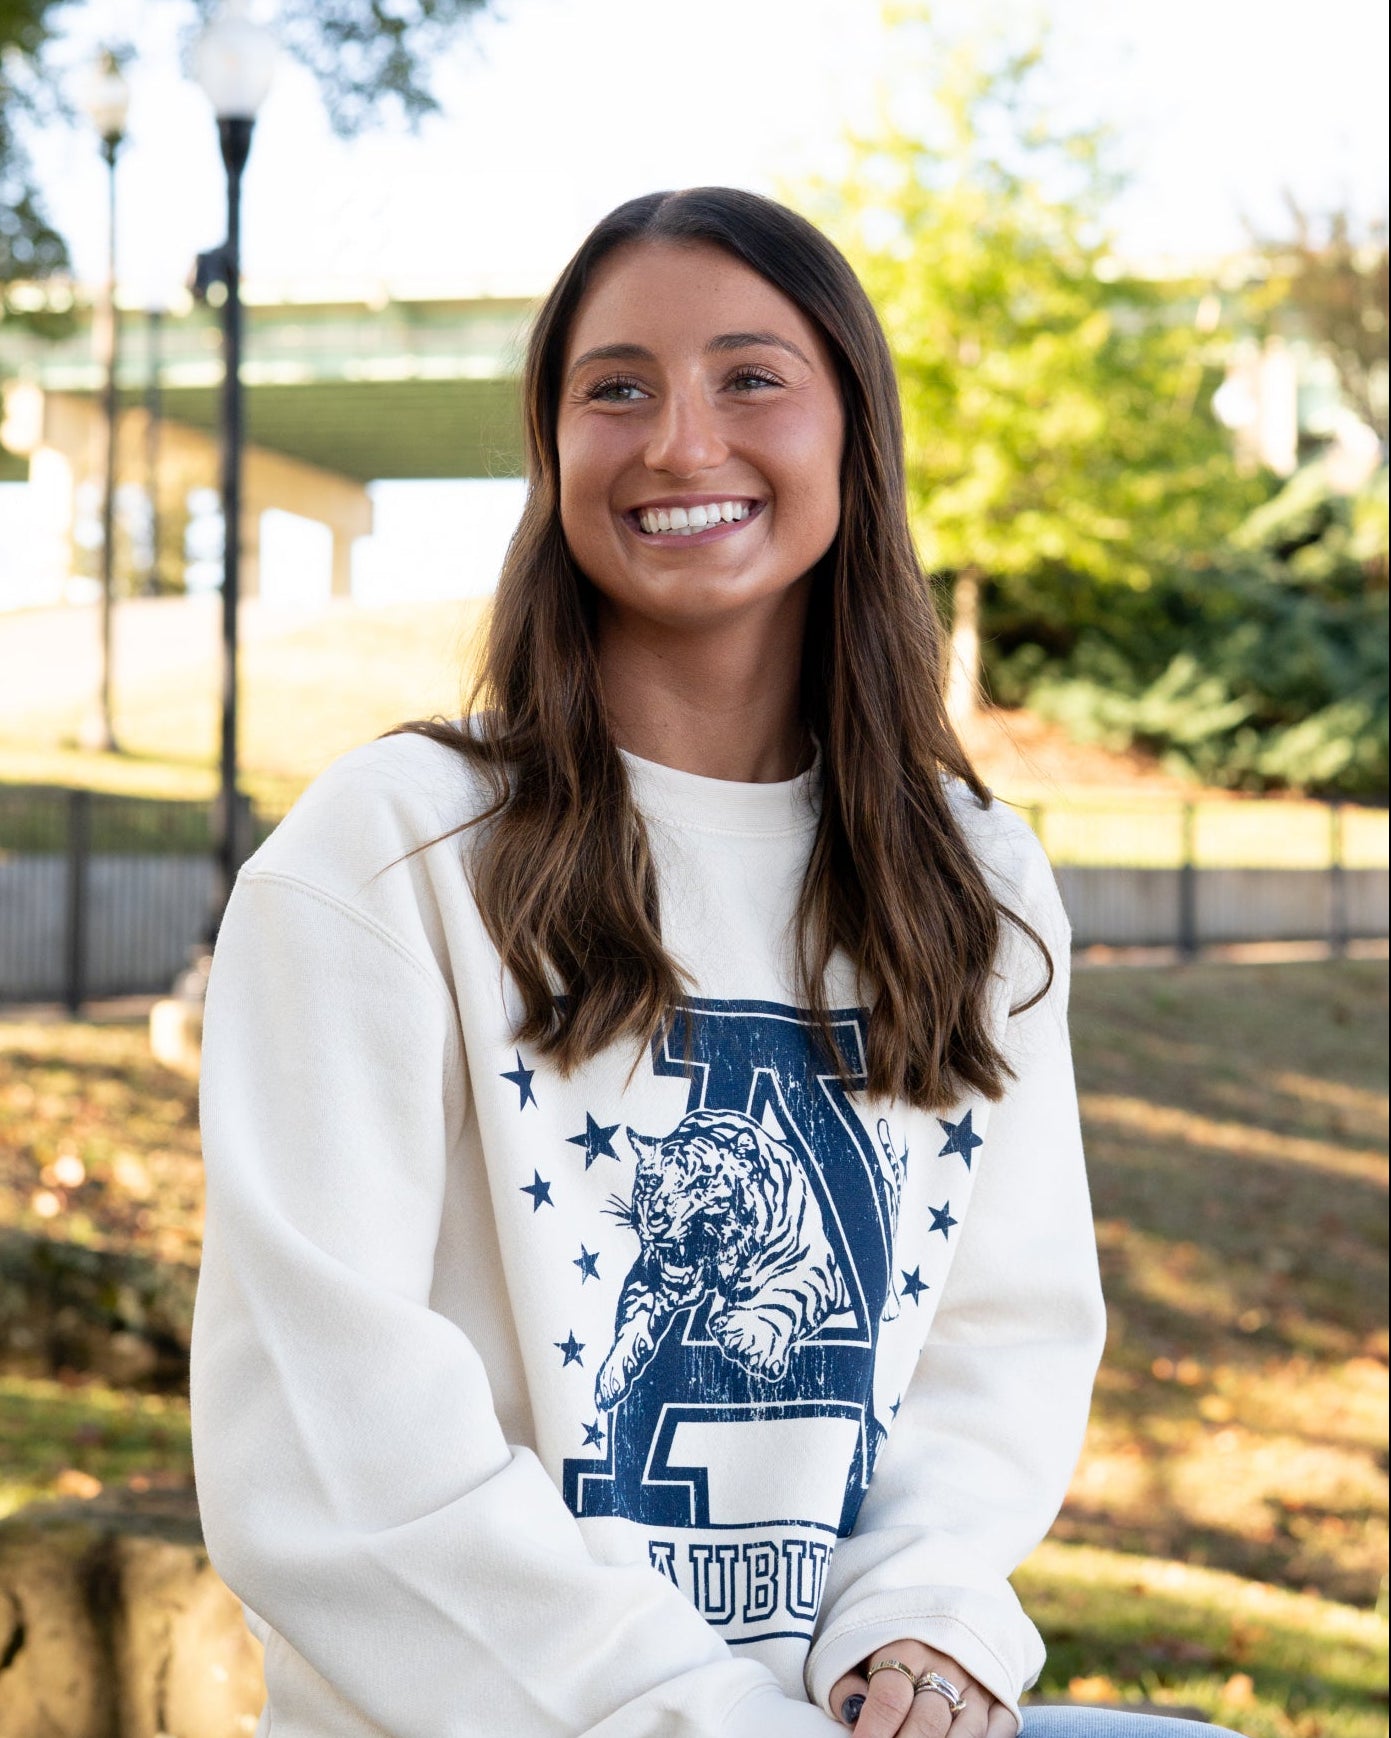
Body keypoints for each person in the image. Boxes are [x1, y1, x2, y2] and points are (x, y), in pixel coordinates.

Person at [192, 188, 1234, 1738]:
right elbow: (324, 1445)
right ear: (552, 454)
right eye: (616, 388)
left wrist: (927, 1626)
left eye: (750, 376)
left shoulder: (976, 877)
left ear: (853, 434)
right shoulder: (391, 851)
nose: (681, 442)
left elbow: (1000, 1334)